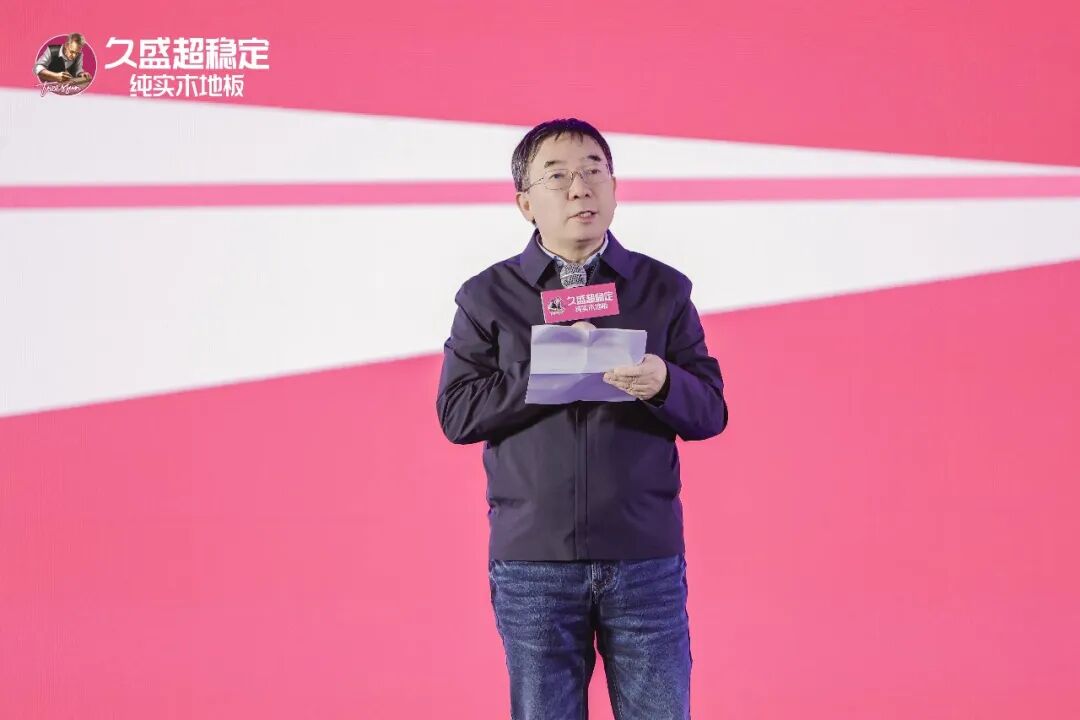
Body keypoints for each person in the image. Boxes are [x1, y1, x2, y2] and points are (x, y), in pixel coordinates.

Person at [435, 118, 729, 719]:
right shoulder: (487, 296)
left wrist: (664, 383)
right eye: (558, 176)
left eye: (595, 171)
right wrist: (548, 369)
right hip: (534, 564)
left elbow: (711, 410)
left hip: (644, 558)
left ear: (615, 188)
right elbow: (458, 414)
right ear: (525, 202)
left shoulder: (662, 289)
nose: (580, 188)